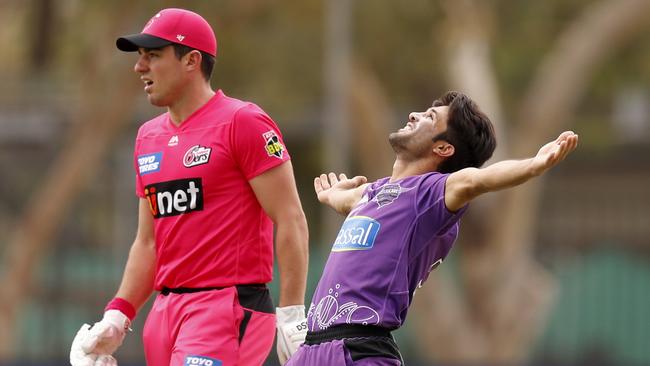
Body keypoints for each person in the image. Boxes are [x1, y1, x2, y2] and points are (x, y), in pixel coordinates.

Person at [69, 8, 309, 366]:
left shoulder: (243, 122)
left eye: (153, 55)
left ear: (192, 60)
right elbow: (148, 242)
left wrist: (292, 313)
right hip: (164, 315)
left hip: (226, 308)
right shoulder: (147, 137)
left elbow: (291, 219)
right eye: (140, 57)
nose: (140, 67)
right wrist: (118, 314)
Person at [286, 91, 579, 365]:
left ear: (443, 147)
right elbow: (348, 199)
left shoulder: (430, 194)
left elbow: (479, 180)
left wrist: (534, 165)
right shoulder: (375, 193)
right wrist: (331, 196)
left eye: (429, 117)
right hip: (313, 349)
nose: (414, 114)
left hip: (361, 351)